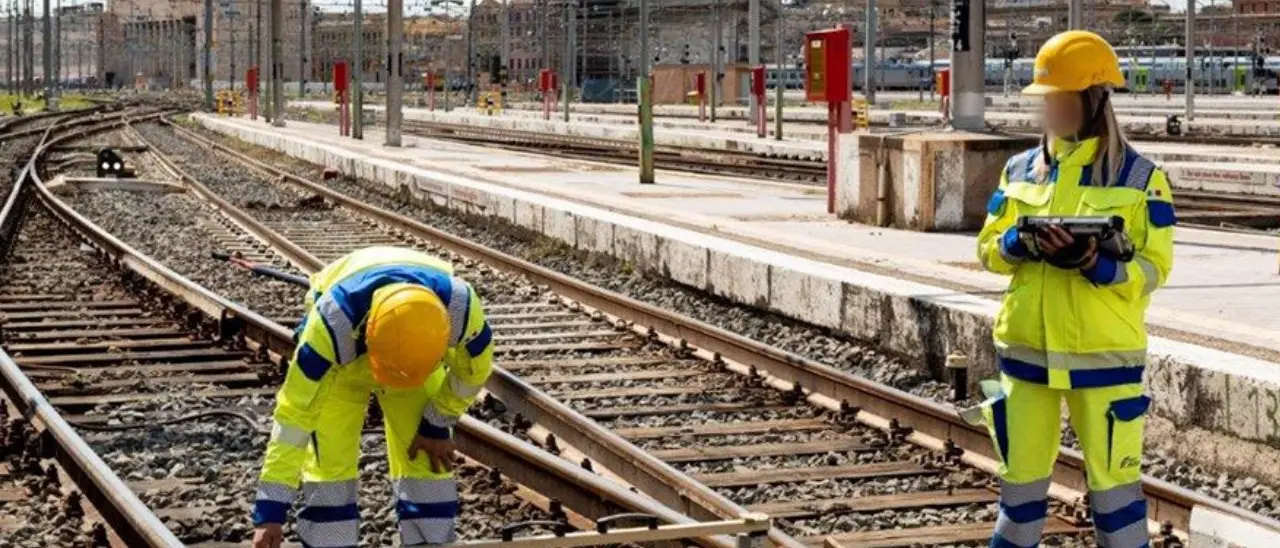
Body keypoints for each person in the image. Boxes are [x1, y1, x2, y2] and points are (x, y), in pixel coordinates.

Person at [973, 30, 1175, 548]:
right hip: (1026, 357)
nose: (1053, 111)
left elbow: (1154, 268)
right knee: (1018, 499)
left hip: (1103, 359)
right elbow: (988, 251)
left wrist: (1093, 264)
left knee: (1116, 504)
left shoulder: (1141, 178)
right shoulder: (1020, 170)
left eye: (1062, 100)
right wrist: (1020, 242)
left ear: (1094, 99)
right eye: (1048, 101)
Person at [251, 247, 494, 548]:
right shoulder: (329, 329)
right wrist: (270, 512)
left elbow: (474, 372)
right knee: (330, 465)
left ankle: (432, 544)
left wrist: (437, 420)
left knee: (424, 458)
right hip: (345, 366)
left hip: (416, 358)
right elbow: (294, 418)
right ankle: (331, 543)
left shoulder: (460, 309)